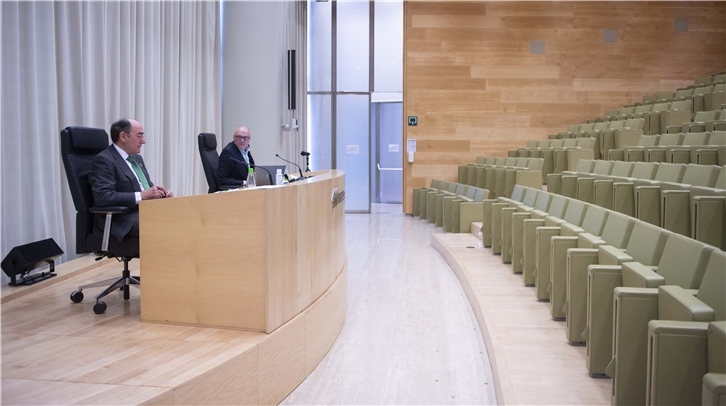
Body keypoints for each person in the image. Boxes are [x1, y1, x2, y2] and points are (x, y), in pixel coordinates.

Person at [89, 118, 173, 242]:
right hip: (123, 219)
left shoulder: (136, 159)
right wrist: (143, 195)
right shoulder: (104, 160)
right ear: (123, 136)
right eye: (139, 136)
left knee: (185, 214)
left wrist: (160, 194)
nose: (143, 141)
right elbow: (103, 197)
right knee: (173, 224)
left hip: (145, 212)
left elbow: (145, 189)